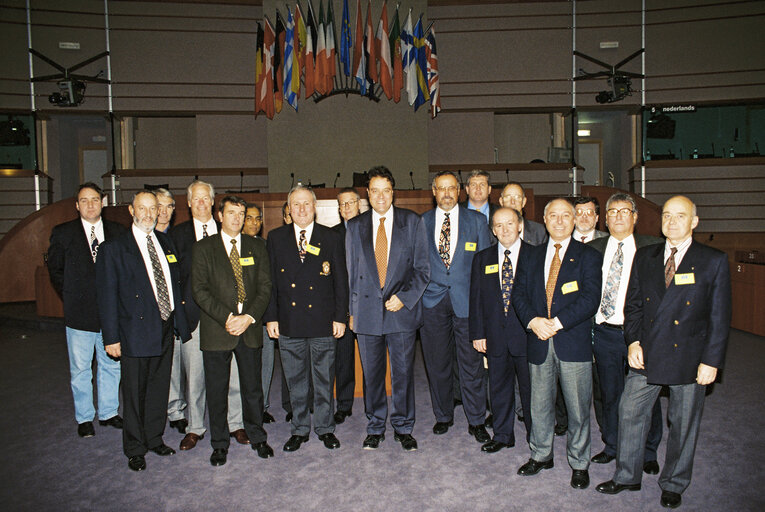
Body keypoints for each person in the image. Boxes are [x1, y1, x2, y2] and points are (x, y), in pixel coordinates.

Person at [596, 195, 731, 509]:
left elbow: (719, 317)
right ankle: (627, 476)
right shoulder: (646, 256)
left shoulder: (713, 260)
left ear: (694, 221)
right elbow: (633, 306)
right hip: (648, 352)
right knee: (629, 412)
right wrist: (632, 342)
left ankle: (674, 483)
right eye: (667, 215)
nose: (671, 222)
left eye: (680, 216)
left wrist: (711, 362)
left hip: (690, 357)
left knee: (683, 423)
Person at [97, 190, 191, 471]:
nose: (150, 214)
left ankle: (154, 437)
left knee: (158, 388)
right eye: (144, 208)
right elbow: (106, 296)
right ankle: (135, 447)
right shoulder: (114, 249)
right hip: (133, 331)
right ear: (131, 210)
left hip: (164, 326)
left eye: (155, 208)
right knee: (135, 392)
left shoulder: (165, 241)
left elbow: (173, 284)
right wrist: (111, 337)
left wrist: (178, 322)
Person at [512, 198, 602, 490]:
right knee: (538, 405)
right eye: (554, 215)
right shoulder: (530, 255)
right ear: (545, 219)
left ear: (575, 220)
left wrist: (558, 323)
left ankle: (579, 462)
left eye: (566, 215)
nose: (560, 221)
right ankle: (541, 455)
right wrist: (533, 322)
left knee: (577, 408)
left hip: (572, 341)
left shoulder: (588, 255)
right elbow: (519, 296)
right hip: (538, 340)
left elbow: (591, 298)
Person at [346, 166, 430, 451]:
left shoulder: (413, 222)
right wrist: (351, 312)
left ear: (393, 193)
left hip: (400, 312)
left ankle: (404, 426)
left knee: (403, 373)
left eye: (386, 190)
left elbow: (422, 270)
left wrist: (405, 298)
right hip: (367, 314)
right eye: (375, 191)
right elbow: (349, 273)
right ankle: (375, 425)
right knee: (372, 375)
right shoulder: (355, 226)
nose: (381, 196)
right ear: (367, 194)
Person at [265, 185, 349, 452]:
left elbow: (341, 282)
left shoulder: (331, 237)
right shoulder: (276, 238)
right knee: (296, 381)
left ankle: (325, 428)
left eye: (307, 204)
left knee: (324, 379)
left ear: (315, 208)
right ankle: (299, 429)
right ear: (288, 209)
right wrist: (271, 317)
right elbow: (270, 283)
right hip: (289, 322)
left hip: (323, 322)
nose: (301, 209)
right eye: (296, 204)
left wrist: (340, 317)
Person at [192, 195, 274, 466]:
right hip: (218, 329)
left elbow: (265, 287)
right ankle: (219, 444)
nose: (237, 218)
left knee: (253, 389)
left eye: (241, 213)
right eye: (231, 213)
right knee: (217, 391)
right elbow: (199, 290)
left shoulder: (256, 246)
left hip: (249, 329)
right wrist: (228, 317)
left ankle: (257, 437)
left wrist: (248, 317)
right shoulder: (204, 248)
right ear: (220, 215)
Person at [168, 180, 250, 452]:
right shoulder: (177, 236)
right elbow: (174, 281)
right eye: (196, 199)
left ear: (214, 203)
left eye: (207, 198)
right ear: (189, 203)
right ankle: (195, 427)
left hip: (227, 318)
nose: (202, 203)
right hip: (194, 317)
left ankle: (236, 423)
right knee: (196, 377)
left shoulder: (228, 230)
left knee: (234, 374)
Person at [588, 193, 664, 473]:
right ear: (605, 219)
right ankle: (612, 445)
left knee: (646, 394)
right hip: (605, 332)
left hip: (642, 336)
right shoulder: (593, 249)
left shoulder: (654, 248)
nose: (619, 216)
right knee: (609, 393)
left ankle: (648, 450)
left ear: (635, 217)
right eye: (613, 212)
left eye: (625, 211)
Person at [47, 182, 125, 438]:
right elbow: (56, 270)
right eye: (84, 200)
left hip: (111, 314)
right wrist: (71, 296)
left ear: (102, 202)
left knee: (111, 365)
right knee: (80, 369)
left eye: (94, 199)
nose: (90, 204)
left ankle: (109, 412)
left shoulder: (118, 231)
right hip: (79, 315)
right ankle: (84, 417)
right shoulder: (63, 233)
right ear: (76, 205)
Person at [421, 171, 492, 441]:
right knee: (437, 362)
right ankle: (443, 415)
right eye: (442, 188)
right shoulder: (422, 222)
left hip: (468, 302)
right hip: (432, 301)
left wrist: (484, 308)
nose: (447, 193)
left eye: (452, 188)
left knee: (471, 363)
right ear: (433, 191)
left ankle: (476, 420)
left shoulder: (476, 221)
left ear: (460, 190)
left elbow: (485, 268)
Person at [469, 207, 533, 452]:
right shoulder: (482, 258)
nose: (504, 229)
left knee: (530, 391)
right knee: (498, 387)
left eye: (509, 223)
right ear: (493, 230)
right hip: (494, 335)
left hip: (527, 336)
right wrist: (477, 333)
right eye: (498, 225)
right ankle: (503, 434)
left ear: (520, 225)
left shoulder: (535, 255)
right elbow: (475, 299)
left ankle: (535, 435)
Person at [242, 203, 276, 425]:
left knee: (266, 362)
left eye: (258, 218)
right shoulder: (232, 245)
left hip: (264, 316)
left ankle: (262, 407)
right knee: (245, 366)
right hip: (242, 318)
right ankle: (244, 409)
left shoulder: (267, 246)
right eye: (249, 218)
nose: (254, 222)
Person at [332, 187, 362, 423]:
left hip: (367, 306)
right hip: (341, 307)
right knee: (342, 359)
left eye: (350, 203)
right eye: (342, 204)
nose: (346, 208)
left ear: (360, 204)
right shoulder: (331, 235)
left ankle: (375, 401)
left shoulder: (372, 228)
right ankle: (344, 404)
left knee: (372, 359)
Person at [498, 182, 547, 246]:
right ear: (501, 202)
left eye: (517, 197)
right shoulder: (490, 233)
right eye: (508, 197)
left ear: (524, 202)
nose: (512, 202)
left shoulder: (540, 232)